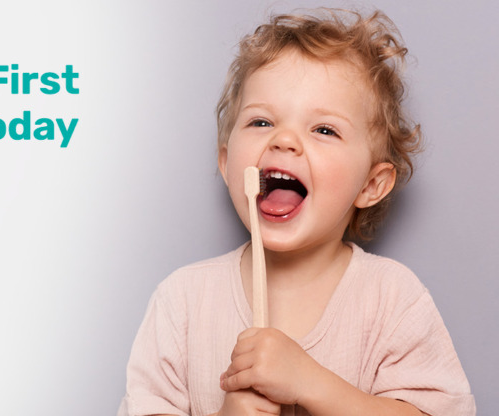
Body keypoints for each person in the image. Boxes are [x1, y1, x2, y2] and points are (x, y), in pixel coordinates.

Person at [119, 9, 475, 416]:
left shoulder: (393, 299)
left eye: (324, 130)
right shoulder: (181, 303)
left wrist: (313, 384)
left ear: (370, 185)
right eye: (261, 121)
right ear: (227, 163)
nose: (284, 139)